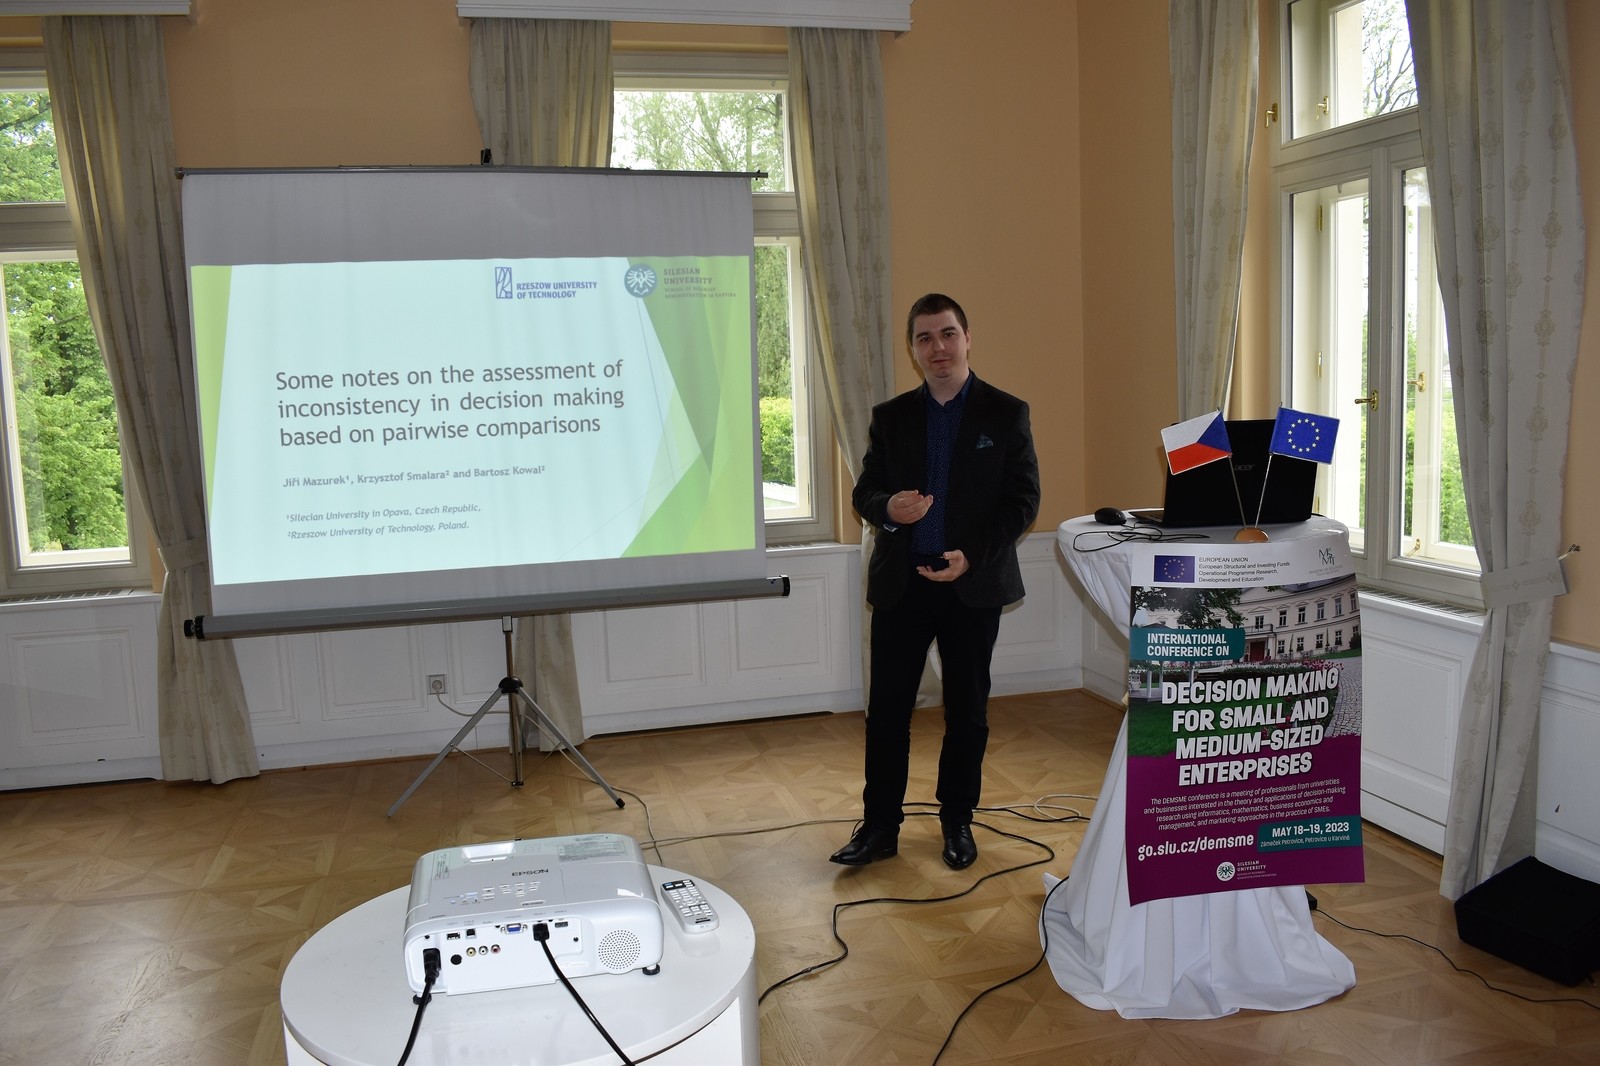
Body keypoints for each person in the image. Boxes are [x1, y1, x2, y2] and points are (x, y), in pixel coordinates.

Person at [830, 293, 1040, 870]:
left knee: (966, 712)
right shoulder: (891, 416)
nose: (937, 347)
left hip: (972, 584)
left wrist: (972, 556)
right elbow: (866, 491)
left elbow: (1023, 501)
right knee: (887, 713)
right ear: (913, 349)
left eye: (947, 334)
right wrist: (887, 507)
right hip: (903, 585)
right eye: (924, 338)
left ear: (967, 338)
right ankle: (880, 828)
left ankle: (958, 822)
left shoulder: (1006, 412)